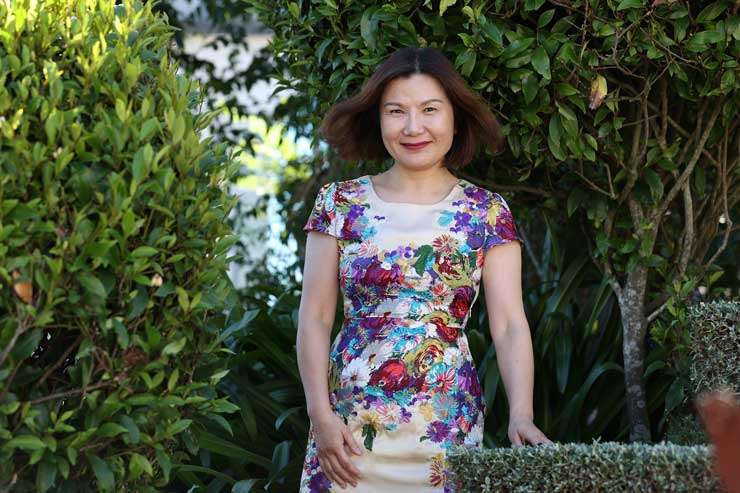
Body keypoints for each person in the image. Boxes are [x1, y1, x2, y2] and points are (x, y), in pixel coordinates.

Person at [296, 47, 551, 493]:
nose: (413, 127)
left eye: (430, 110)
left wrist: (521, 414)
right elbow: (315, 316)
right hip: (348, 432)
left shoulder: (486, 212)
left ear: (455, 116)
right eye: (397, 111)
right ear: (378, 119)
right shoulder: (340, 204)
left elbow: (510, 324)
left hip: (446, 429)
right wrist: (321, 415)